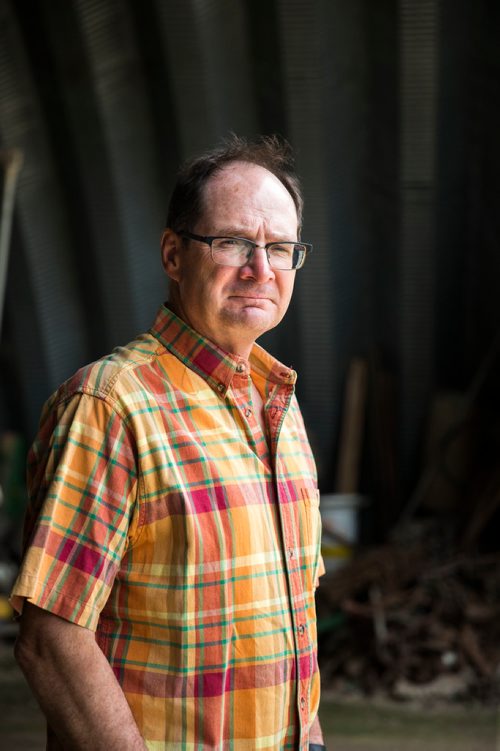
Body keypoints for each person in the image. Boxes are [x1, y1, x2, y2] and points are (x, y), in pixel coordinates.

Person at [11, 134, 326, 750]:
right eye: (234, 242)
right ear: (174, 255)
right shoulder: (109, 407)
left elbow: (296, 619)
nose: (261, 269)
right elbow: (51, 641)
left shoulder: (279, 406)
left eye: (281, 248)